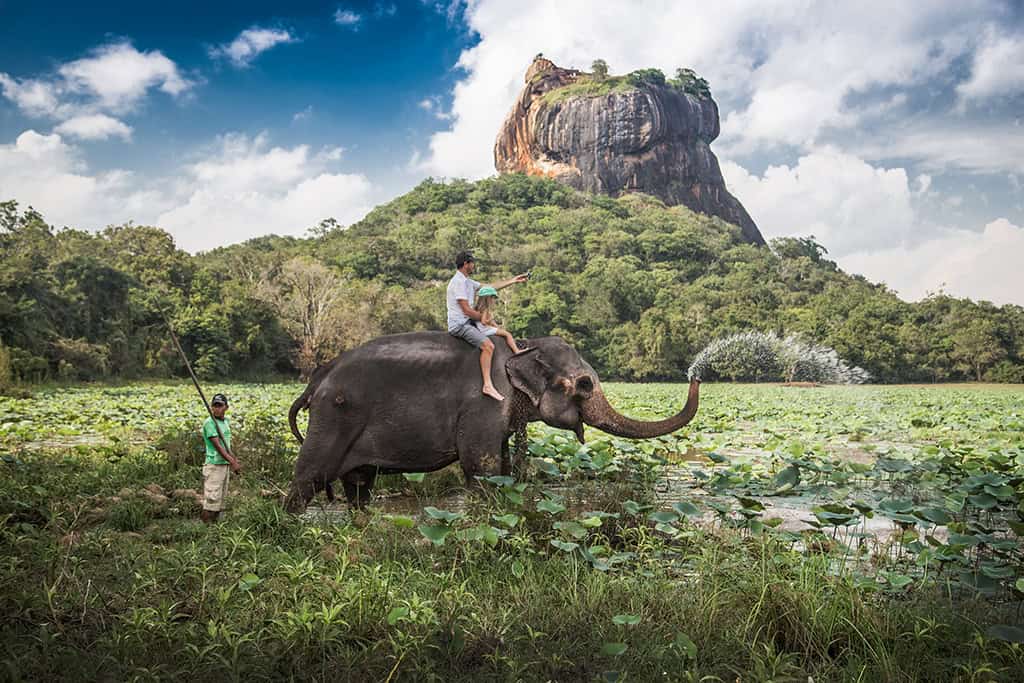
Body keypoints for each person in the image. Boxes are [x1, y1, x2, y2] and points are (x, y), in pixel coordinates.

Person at [446, 250, 528, 401]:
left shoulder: (467, 282)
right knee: (488, 346)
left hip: (469, 321)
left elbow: (489, 287)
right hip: (460, 324)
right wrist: (485, 319)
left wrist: (513, 281)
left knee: (500, 332)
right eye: (472, 263)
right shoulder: (458, 283)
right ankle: (487, 385)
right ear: (466, 264)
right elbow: (466, 310)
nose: (474, 266)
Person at [200, 393, 241, 523]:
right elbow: (218, 446)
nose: (217, 409)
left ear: (226, 407)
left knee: (219, 503)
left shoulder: (225, 422)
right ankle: (205, 531)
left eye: (220, 406)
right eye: (215, 406)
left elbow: (226, 444)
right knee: (211, 502)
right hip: (214, 466)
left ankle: (215, 530)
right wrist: (232, 461)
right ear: (211, 407)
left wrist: (234, 460)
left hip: (224, 465)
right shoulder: (209, 423)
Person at [474, 286, 522, 354]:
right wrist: (490, 319)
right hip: (484, 330)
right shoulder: (485, 309)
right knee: (507, 334)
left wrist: (495, 325)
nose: (493, 300)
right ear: (488, 298)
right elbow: (483, 322)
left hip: (480, 329)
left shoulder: (477, 308)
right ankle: (516, 351)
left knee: (501, 330)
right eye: (493, 298)